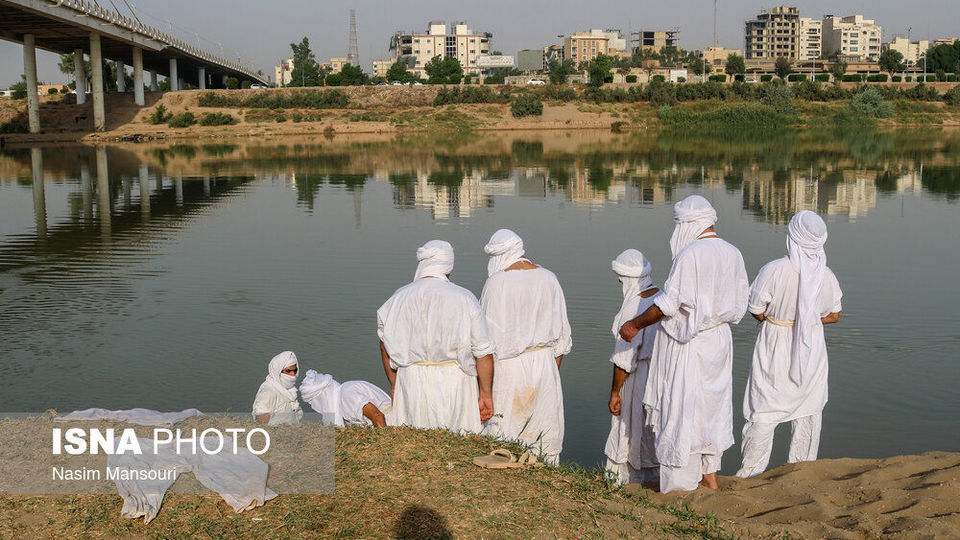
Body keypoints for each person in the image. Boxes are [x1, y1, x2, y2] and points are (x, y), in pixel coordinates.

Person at [619, 195, 749, 493]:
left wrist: (634, 325)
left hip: (688, 343)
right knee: (711, 409)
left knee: (681, 410)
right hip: (719, 341)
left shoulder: (691, 254)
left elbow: (667, 304)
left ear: (687, 224)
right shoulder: (733, 253)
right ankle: (710, 477)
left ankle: (679, 487)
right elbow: (742, 304)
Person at [737, 211, 843, 478]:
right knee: (808, 410)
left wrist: (775, 318)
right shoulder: (826, 276)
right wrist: (808, 321)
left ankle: (750, 472)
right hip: (811, 348)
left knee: (764, 407)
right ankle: (802, 472)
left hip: (775, 343)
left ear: (792, 237)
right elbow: (834, 315)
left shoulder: (774, 270)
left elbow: (756, 308)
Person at [377, 240, 496, 434]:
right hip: (453, 384)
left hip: (411, 382)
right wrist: (485, 394)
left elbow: (384, 348)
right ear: (448, 267)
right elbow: (483, 352)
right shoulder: (464, 298)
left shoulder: (397, 299)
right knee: (456, 444)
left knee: (414, 445)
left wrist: (394, 384)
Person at [479, 229, 571, 465]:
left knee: (505, 431)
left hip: (508, 368)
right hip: (545, 364)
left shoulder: (496, 283)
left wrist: (484, 391)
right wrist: (548, 372)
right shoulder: (549, 278)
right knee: (543, 431)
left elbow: (484, 342)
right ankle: (545, 479)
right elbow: (562, 339)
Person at [604, 249, 661, 485]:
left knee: (629, 432)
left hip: (639, 377)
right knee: (653, 431)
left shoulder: (633, 307)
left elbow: (623, 361)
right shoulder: (662, 298)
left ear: (626, 279)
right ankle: (656, 481)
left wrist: (615, 392)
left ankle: (626, 483)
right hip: (661, 375)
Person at [299, 369, 394, 428]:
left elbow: (377, 416)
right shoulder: (341, 397)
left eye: (315, 401)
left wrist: (384, 446)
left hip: (391, 422)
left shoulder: (346, 395)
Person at [252, 351, 303, 426]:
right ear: (277, 370)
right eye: (288, 371)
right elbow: (261, 423)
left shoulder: (289, 391)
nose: (292, 375)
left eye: (295, 370)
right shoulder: (268, 393)